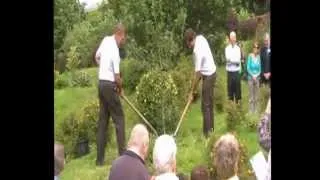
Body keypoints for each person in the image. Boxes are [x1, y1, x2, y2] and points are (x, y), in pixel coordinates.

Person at [95, 23, 127, 166]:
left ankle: (99, 160)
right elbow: (117, 77)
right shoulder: (114, 50)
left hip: (101, 84)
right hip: (109, 85)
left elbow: (97, 57)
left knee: (103, 122)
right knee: (119, 119)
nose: (123, 41)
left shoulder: (105, 40)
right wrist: (120, 88)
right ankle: (123, 157)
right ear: (120, 35)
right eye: (123, 38)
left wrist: (103, 68)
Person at [184, 28, 217, 137]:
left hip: (208, 75)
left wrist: (191, 92)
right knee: (209, 104)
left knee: (205, 106)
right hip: (212, 73)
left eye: (187, 43)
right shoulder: (201, 38)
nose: (188, 46)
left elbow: (197, 74)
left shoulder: (197, 51)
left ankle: (207, 134)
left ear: (190, 40)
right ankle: (211, 130)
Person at [225, 31, 242, 104]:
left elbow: (238, 61)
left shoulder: (238, 48)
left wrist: (232, 61)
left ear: (235, 38)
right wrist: (233, 61)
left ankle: (238, 107)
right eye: (231, 37)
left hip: (236, 72)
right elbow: (228, 60)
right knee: (230, 90)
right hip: (229, 72)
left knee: (237, 89)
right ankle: (231, 108)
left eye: (234, 37)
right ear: (229, 38)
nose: (232, 39)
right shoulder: (227, 49)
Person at [246, 42, 261, 114]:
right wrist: (253, 75)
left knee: (256, 95)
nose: (256, 49)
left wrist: (256, 75)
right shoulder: (250, 56)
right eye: (255, 47)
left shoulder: (259, 57)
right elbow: (248, 68)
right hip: (250, 78)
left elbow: (260, 69)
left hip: (257, 78)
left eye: (257, 48)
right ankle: (251, 110)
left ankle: (256, 110)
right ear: (253, 48)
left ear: (258, 49)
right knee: (251, 95)